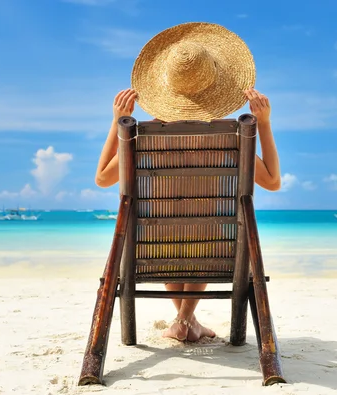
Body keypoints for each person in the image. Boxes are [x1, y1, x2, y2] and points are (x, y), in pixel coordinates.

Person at [94, 22, 281, 343]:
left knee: (170, 230)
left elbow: (101, 179)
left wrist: (116, 123)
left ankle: (184, 320)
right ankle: (186, 320)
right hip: (217, 251)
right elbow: (273, 182)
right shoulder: (233, 138)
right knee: (203, 229)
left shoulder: (140, 137)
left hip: (153, 249)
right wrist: (263, 124)